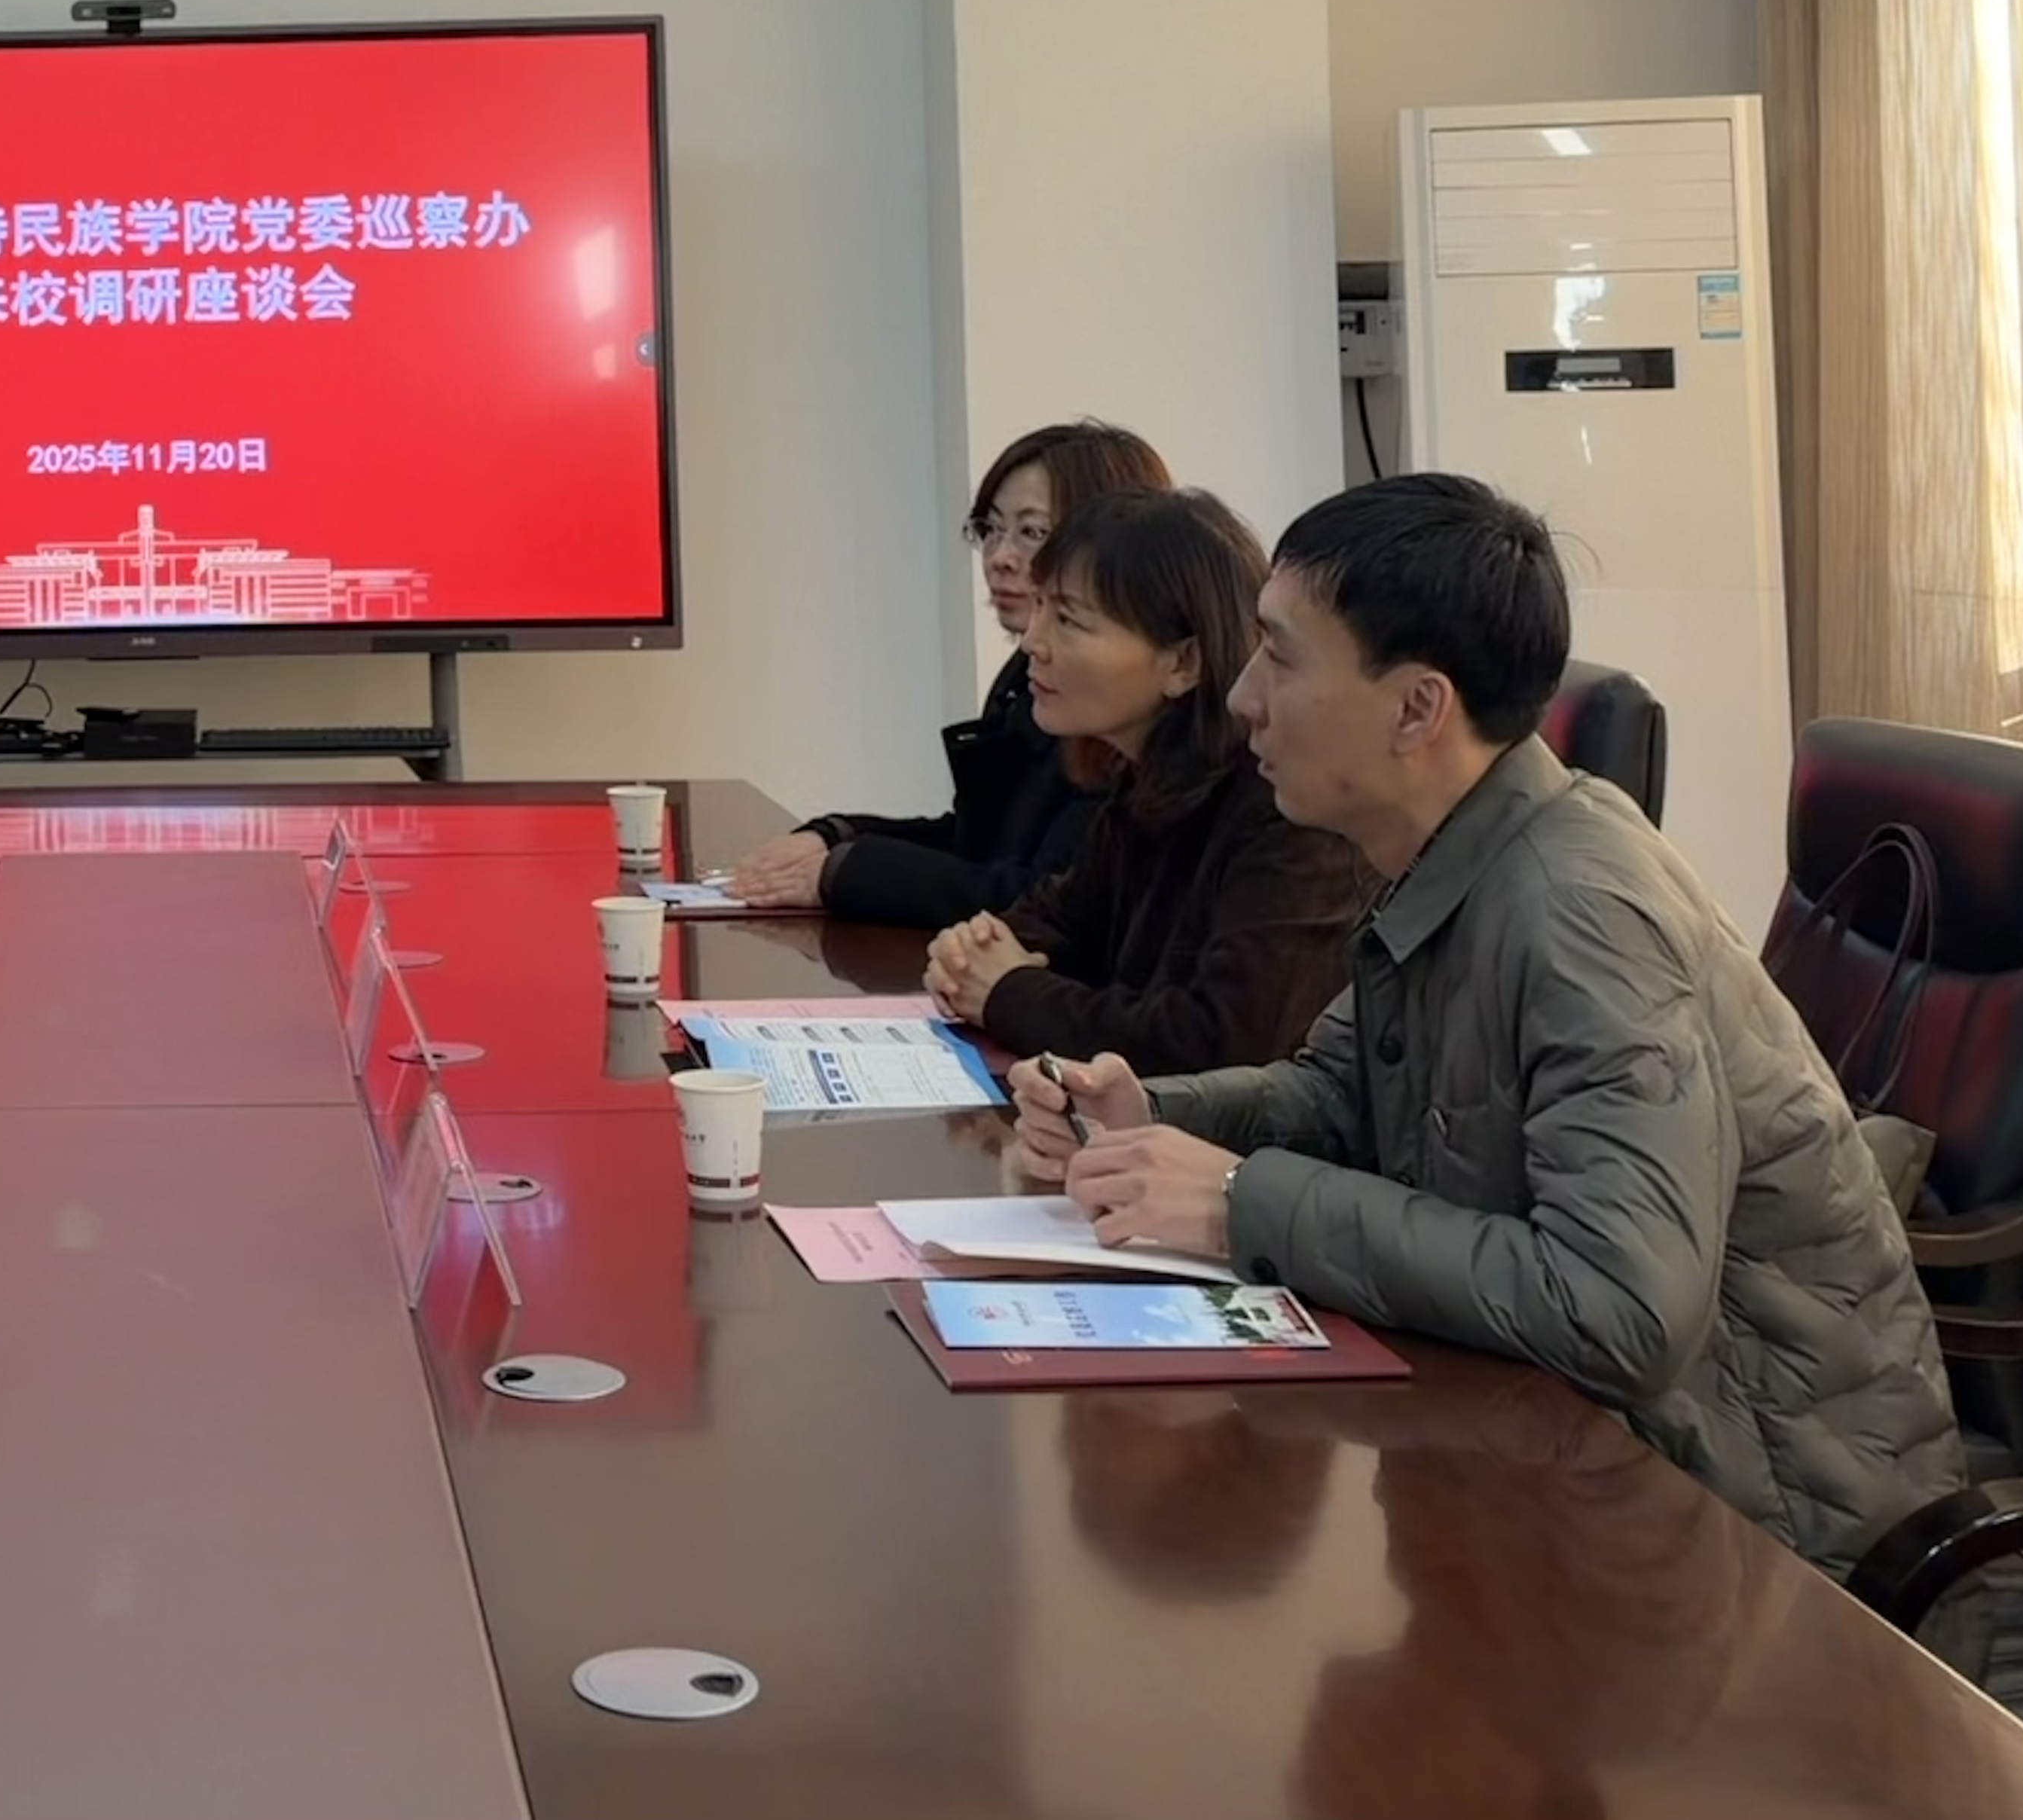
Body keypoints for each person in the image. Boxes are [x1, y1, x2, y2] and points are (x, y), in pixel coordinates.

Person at [1018, 472, 1959, 1566]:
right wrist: (1156, 1113)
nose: (1242, 698)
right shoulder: (1452, 849)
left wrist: (1240, 1203)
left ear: (1419, 709)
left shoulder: (1578, 912)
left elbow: (1618, 1307)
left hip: (1763, 1532)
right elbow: (1338, 1092)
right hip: (1575, 1461)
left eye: (1280, 656)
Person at [918, 487, 1369, 1072]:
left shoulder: (1285, 804)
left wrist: (1007, 992)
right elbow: (1059, 919)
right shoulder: (1147, 778)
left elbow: (1221, 1042)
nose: (1032, 642)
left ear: (1183, 662)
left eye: (1068, 620)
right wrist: (973, 955)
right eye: (1040, 608)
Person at [730, 419, 1171, 925]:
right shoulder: (1025, 675)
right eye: (991, 530)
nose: (999, 558)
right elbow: (977, 843)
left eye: (1031, 532)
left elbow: (1048, 898)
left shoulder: (1125, 709)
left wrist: (845, 873)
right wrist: (836, 837)